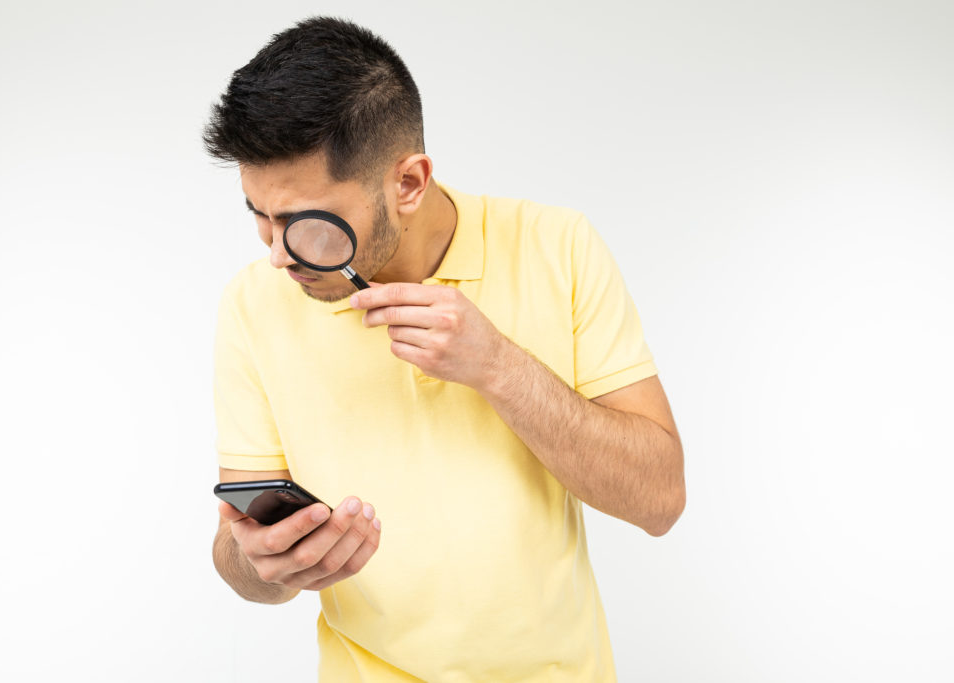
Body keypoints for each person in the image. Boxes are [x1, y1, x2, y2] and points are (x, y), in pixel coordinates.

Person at [204, 16, 685, 682]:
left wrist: (499, 367)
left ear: (409, 183)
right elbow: (238, 559)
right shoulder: (251, 305)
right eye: (259, 214)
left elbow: (660, 498)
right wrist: (260, 563)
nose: (278, 255)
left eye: (304, 223)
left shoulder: (559, 247)